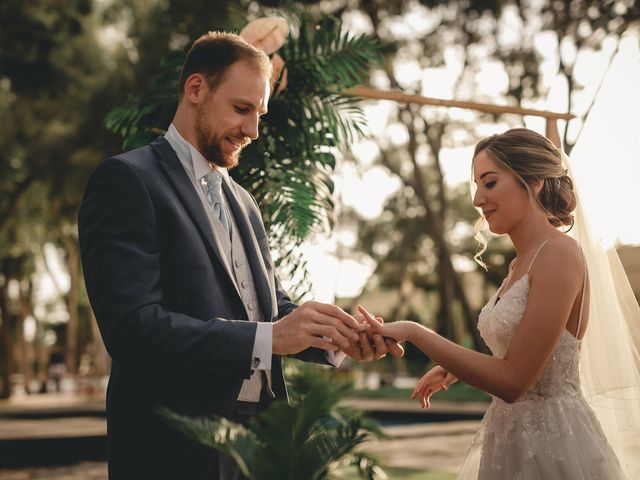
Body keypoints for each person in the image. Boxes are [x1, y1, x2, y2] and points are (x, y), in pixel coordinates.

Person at [78, 31, 401, 480]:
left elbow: (270, 309)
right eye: (241, 109)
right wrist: (267, 339)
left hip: (256, 451)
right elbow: (134, 328)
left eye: (260, 114)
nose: (252, 130)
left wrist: (338, 336)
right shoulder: (127, 180)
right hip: (170, 451)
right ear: (195, 89)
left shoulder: (245, 202)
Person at [360, 128, 631, 479]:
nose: (476, 199)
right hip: (510, 440)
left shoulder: (559, 254)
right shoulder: (521, 263)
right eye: (476, 185)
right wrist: (454, 368)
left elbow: (515, 381)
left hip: (555, 446)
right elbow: (527, 351)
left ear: (532, 182)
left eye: (489, 183)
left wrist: (414, 332)